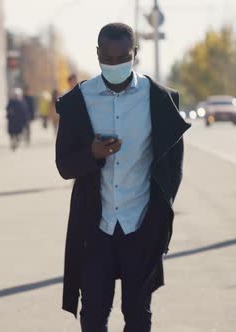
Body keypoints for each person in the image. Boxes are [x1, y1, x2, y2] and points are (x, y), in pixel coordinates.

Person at [55, 23, 190, 331]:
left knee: (139, 316)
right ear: (98, 54)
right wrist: (91, 154)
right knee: (92, 316)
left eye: (123, 57)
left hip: (140, 226)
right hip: (94, 229)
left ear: (135, 55)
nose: (115, 64)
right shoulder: (78, 101)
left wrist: (159, 217)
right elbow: (64, 165)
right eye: (109, 58)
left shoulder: (158, 100)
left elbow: (173, 167)